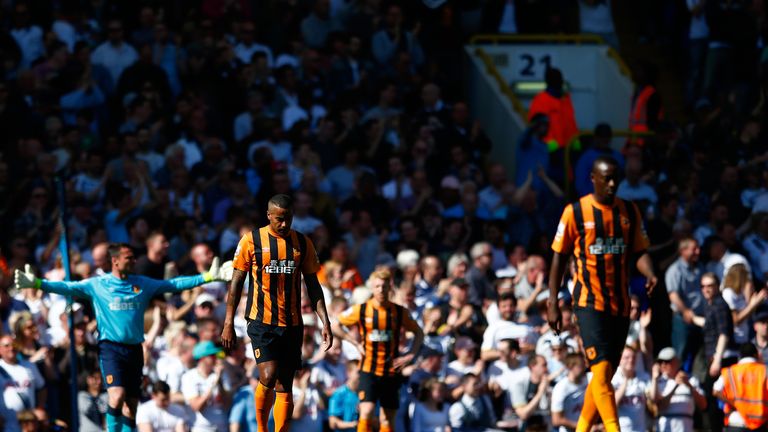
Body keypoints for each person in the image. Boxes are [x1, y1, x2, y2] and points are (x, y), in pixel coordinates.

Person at [13, 243, 230, 431]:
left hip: (134, 349)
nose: (134, 260)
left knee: (131, 406)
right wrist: (38, 284)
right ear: (115, 261)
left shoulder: (142, 283)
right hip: (111, 348)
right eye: (129, 257)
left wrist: (208, 277)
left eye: (134, 257)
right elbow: (67, 287)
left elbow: (173, 285)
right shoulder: (98, 284)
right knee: (116, 396)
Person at [548, 155, 657, 432]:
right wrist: (552, 301)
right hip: (587, 302)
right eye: (606, 178)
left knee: (604, 374)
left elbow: (640, 251)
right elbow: (559, 258)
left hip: (620, 304)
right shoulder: (575, 212)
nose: (612, 184)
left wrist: (650, 273)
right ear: (593, 179)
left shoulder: (629, 212)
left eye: (615, 178)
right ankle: (613, 428)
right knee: (600, 368)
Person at [221, 194, 333, 432]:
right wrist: (228, 322)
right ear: (269, 216)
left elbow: (313, 285)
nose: (284, 224)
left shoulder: (302, 243)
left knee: (285, 384)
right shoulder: (251, 241)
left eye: (288, 219)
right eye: (279, 219)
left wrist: (325, 321)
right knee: (269, 375)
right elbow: (236, 283)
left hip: (292, 323)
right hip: (261, 321)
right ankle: (262, 428)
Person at [333, 269, 425, 432]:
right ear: (372, 288)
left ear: (390, 287)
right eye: (377, 286)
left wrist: (410, 355)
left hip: (391, 370)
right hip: (369, 369)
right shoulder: (361, 310)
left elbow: (418, 332)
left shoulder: (399, 312)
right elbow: (335, 325)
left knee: (387, 418)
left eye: (384, 286)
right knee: (366, 411)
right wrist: (354, 342)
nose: (381, 290)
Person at [650, 347, 707, 432]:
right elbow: (660, 407)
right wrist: (676, 386)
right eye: (660, 362)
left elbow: (703, 405)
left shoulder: (692, 380)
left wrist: (689, 385)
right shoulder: (657, 382)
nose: (663, 364)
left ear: (677, 362)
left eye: (667, 361)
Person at [713, 343, 768, 431]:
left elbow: (716, 391)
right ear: (756, 354)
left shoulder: (730, 371)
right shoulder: (764, 371)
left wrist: (734, 403)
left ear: (740, 356)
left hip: (736, 420)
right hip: (760, 423)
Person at [527, 68, 579, 151]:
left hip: (568, 150)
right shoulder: (540, 100)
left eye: (559, 79)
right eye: (556, 79)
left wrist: (576, 143)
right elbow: (537, 127)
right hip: (550, 151)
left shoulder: (565, 99)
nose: (559, 82)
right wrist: (552, 146)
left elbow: (572, 124)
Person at [611, 346, 650, 432]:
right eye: (626, 357)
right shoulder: (613, 378)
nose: (631, 360)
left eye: (633, 357)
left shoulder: (644, 377)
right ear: (620, 360)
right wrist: (626, 380)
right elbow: (613, 404)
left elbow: (652, 402)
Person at [551, 353, 588, 432]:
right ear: (570, 367)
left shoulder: (587, 380)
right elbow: (556, 420)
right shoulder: (561, 388)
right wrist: (583, 426)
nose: (585, 367)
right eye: (581, 365)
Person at [328, 360, 361, 432]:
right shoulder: (338, 394)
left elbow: (379, 422)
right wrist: (354, 424)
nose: (361, 375)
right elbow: (332, 423)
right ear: (348, 373)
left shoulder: (368, 394)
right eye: (358, 372)